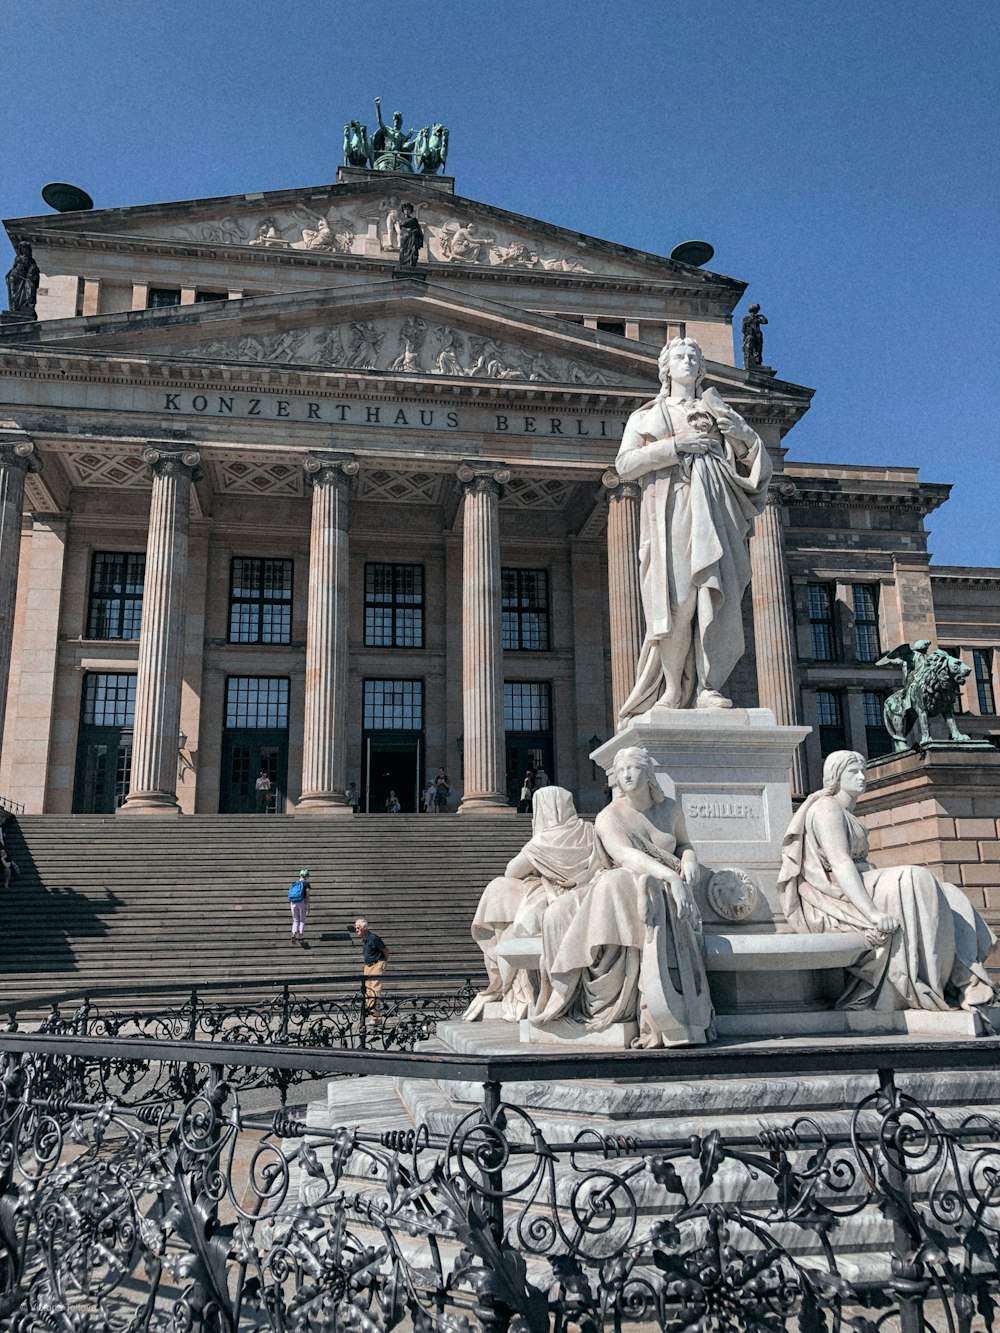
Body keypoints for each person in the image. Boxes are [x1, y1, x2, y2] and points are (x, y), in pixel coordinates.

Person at [615, 337, 771, 721]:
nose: (686, 362)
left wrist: (744, 436)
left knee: (711, 599)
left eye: (693, 357)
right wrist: (676, 446)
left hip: (716, 511)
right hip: (672, 513)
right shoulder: (646, 416)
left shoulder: (719, 411)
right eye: (679, 357)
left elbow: (754, 461)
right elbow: (625, 465)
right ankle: (671, 688)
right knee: (677, 602)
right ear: (665, 369)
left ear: (702, 368)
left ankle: (708, 688)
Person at [777, 751, 996, 1016]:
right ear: (835, 777)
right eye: (853, 772)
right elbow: (841, 864)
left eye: (863, 771)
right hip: (835, 894)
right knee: (915, 878)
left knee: (946, 892)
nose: (862, 777)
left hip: (862, 881)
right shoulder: (827, 808)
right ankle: (930, 985)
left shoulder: (846, 811)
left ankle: (966, 983)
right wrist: (872, 914)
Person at [532, 747, 715, 1048]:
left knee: (625, 887)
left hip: (664, 886)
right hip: (632, 882)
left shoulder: (670, 810)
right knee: (615, 884)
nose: (627, 775)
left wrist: (689, 859)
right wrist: (670, 876)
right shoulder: (610, 815)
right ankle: (609, 1001)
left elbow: (683, 844)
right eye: (621, 771)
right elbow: (623, 855)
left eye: (633, 768)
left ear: (648, 772)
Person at [463, 786, 603, 1022]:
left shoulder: (543, 841)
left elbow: (512, 871)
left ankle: (514, 987)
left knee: (500, 890)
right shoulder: (589, 830)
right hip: (585, 898)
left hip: (555, 901)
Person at [355, 918, 389, 1019]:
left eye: (358, 928)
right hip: (368, 966)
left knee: (375, 990)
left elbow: (385, 950)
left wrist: (383, 962)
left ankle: (376, 1017)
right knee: (367, 990)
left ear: (363, 928)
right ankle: (372, 1014)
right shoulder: (365, 939)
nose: (356, 930)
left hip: (377, 964)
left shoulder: (374, 938)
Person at [287, 869, 310, 947]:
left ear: (300, 875)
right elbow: (307, 895)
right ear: (306, 876)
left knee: (295, 920)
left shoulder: (294, 883)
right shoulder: (306, 884)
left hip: (293, 903)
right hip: (302, 902)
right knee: (302, 920)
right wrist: (308, 906)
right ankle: (301, 936)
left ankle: (293, 934)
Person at [397, 203, 424, 267]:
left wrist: (416, 231)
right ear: (403, 211)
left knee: (413, 250)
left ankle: (411, 263)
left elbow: (418, 230)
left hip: (412, 238)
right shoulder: (401, 220)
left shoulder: (414, 220)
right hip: (405, 238)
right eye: (405, 210)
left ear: (410, 211)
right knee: (403, 251)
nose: (406, 211)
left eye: (408, 210)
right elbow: (401, 226)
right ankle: (403, 263)